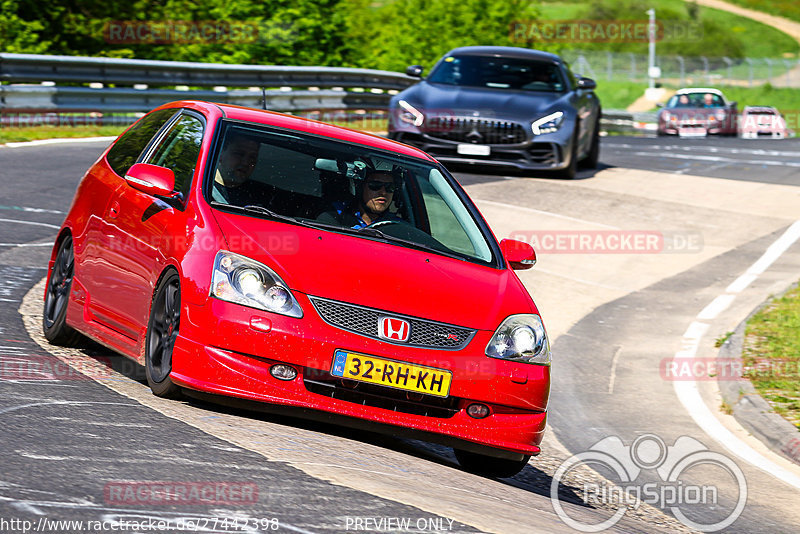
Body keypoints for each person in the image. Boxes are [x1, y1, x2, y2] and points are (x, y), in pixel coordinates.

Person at [317, 169, 402, 229]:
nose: (383, 192)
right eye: (375, 185)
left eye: (390, 187)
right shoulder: (335, 215)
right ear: (360, 188)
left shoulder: (398, 227)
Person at [211, 132, 273, 206]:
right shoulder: (201, 186)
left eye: (252, 157)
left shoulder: (260, 198)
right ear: (220, 154)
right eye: (239, 154)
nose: (246, 162)